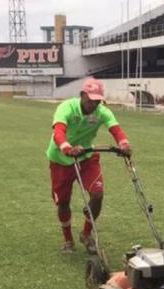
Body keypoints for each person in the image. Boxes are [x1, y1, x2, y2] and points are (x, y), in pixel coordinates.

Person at [46, 77, 132, 253]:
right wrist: (66, 147)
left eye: (97, 101)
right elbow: (59, 131)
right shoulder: (66, 107)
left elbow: (115, 129)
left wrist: (124, 143)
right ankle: (68, 240)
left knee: (98, 194)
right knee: (63, 202)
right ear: (82, 95)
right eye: (91, 100)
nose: (94, 104)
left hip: (86, 157)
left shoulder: (102, 112)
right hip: (61, 159)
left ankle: (86, 234)